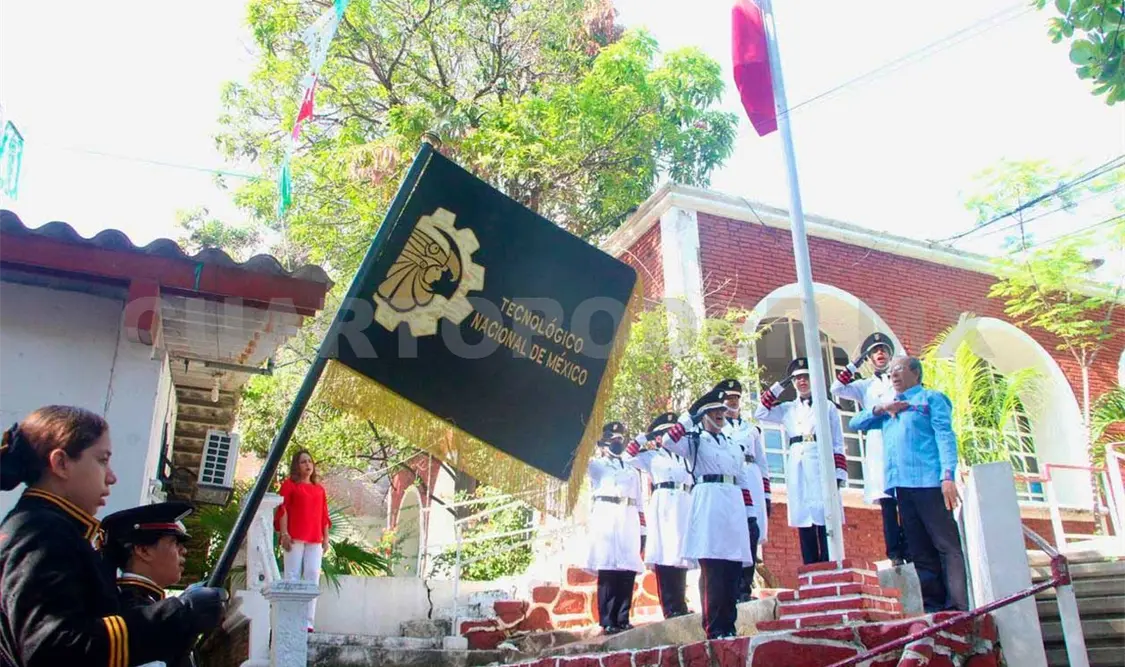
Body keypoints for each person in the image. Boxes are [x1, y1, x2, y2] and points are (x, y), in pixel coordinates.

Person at [0, 405, 227, 667]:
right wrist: (179, 614)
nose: (111, 477)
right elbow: (51, 648)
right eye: (102, 459)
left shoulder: (52, 528)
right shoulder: (41, 531)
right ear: (61, 463)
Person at [850, 356, 969, 612]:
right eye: (891, 371)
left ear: (915, 373)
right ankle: (934, 607)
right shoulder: (890, 408)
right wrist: (882, 408)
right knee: (919, 550)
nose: (893, 374)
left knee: (945, 545)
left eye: (899, 369)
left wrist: (947, 476)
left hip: (929, 483)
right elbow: (855, 422)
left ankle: (958, 605)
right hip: (900, 487)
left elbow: (945, 437)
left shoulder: (930, 399)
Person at [659, 388, 752, 639]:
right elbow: (668, 440)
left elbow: (742, 478)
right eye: (714, 410)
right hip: (709, 499)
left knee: (732, 568)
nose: (721, 414)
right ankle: (714, 627)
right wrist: (690, 415)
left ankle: (728, 625)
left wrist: (750, 513)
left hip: (732, 502)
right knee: (713, 567)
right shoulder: (695, 441)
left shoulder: (733, 444)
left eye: (722, 410)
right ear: (704, 415)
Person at [756, 357, 848, 565]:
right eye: (797, 378)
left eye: (806, 377)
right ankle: (810, 561)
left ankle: (828, 558)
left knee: (824, 510)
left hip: (819, 457)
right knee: (803, 511)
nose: (802, 382)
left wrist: (840, 473)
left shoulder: (827, 406)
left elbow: (837, 441)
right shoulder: (787, 408)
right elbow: (760, 411)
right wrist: (782, 384)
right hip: (797, 458)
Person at [831, 332, 908, 565]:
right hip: (878, 442)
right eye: (875, 352)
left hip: (902, 438)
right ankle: (894, 552)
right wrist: (856, 363)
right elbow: (837, 387)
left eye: (883, 350)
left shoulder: (900, 379)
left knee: (907, 497)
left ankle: (911, 548)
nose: (880, 354)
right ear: (870, 358)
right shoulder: (866, 385)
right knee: (887, 502)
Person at [623, 412, 694, 619]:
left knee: (681, 555)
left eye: (669, 432)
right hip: (664, 503)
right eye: (662, 433)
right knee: (665, 554)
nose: (666, 436)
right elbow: (627, 457)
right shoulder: (651, 456)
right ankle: (670, 606)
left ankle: (680, 603)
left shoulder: (685, 455)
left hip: (684, 502)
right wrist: (645, 437)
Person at [584, 422, 644, 635]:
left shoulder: (631, 469)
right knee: (609, 568)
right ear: (604, 442)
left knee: (627, 567)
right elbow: (578, 459)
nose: (617, 443)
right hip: (607, 513)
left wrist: (643, 529)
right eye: (612, 439)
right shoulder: (596, 465)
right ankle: (608, 619)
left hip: (629, 516)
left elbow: (639, 500)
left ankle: (623, 616)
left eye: (620, 439)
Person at [715, 379, 769, 603]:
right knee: (734, 531)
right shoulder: (718, 428)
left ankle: (745, 587)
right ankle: (732, 587)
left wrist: (766, 495)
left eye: (735, 398)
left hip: (752, 477)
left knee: (752, 532)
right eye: (728, 398)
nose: (732, 402)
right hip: (732, 478)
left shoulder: (751, 429)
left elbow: (762, 461)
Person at [276, 449, 331, 633]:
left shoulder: (319, 489)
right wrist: (284, 534)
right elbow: (282, 509)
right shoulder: (289, 485)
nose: (308, 465)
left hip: (315, 539)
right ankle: (291, 619)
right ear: (296, 466)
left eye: (309, 461)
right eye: (303, 462)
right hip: (294, 537)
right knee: (291, 576)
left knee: (312, 576)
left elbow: (324, 515)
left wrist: (326, 538)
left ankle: (308, 622)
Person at [101, 502, 193, 609]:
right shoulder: (134, 607)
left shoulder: (135, 601)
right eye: (175, 543)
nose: (184, 551)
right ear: (144, 551)